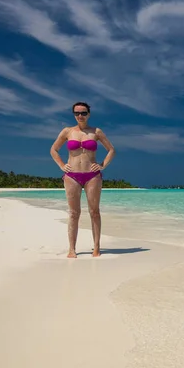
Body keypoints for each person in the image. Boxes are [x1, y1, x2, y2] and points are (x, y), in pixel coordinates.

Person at [50, 102, 116, 258]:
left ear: (89, 114)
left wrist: (102, 165)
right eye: (77, 113)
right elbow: (53, 149)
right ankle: (72, 249)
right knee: (74, 213)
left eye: (83, 113)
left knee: (94, 212)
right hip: (72, 175)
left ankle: (97, 248)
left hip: (92, 176)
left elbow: (111, 150)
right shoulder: (67, 131)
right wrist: (61, 165)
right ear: (74, 114)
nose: (80, 116)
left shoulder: (96, 132)